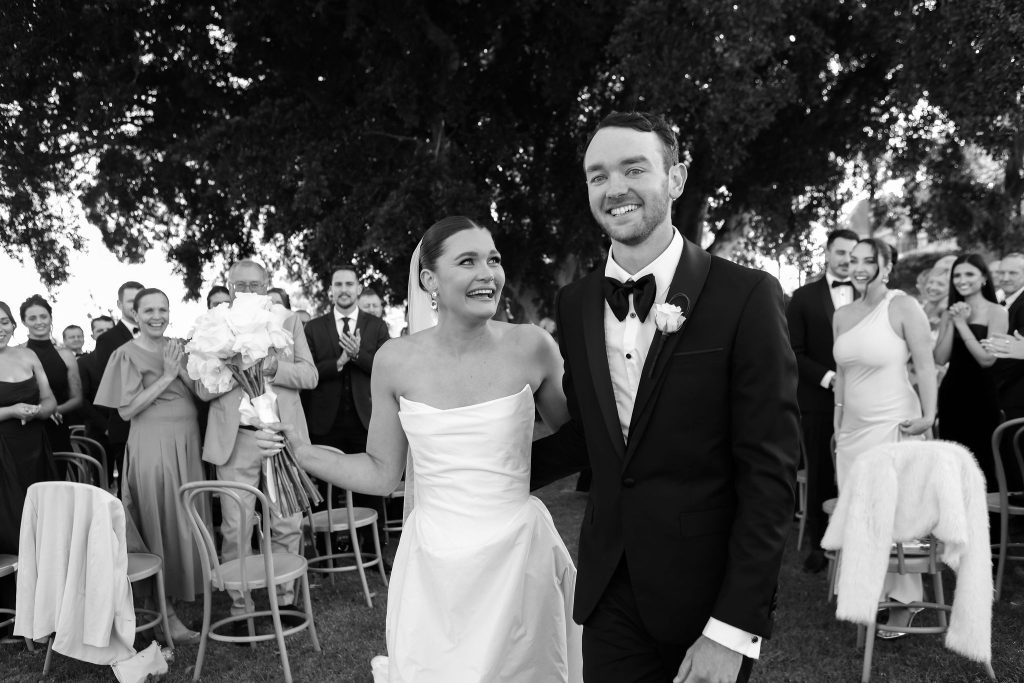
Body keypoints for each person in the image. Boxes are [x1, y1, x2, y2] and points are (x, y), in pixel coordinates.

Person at [528, 111, 800, 683]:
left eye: (634, 169)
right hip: (609, 587)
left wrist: (731, 628)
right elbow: (590, 434)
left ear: (675, 179)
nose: (614, 188)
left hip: (706, 594)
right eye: (598, 175)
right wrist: (482, 471)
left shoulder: (747, 295)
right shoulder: (575, 303)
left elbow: (769, 473)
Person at [257, 217, 581, 682]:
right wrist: (303, 453)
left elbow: (580, 437)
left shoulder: (532, 346)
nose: (487, 273)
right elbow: (381, 472)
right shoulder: (396, 359)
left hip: (520, 555)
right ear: (429, 279)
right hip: (434, 561)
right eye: (467, 261)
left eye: (493, 259)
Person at [197, 260, 317, 627]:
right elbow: (202, 389)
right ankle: (241, 605)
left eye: (255, 284)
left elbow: (310, 375)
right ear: (229, 287)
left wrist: (273, 369)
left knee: (287, 522)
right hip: (237, 440)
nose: (247, 291)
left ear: (266, 286)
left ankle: (285, 598)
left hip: (283, 437)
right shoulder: (214, 324)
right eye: (240, 285)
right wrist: (233, 368)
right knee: (236, 526)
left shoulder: (288, 320)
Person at [833, 238, 937, 636]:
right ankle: (869, 591)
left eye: (868, 260)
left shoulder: (903, 306)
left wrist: (929, 415)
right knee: (861, 514)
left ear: (887, 265)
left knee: (896, 514)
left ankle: (905, 601)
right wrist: (838, 423)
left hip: (895, 424)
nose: (858, 267)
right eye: (852, 260)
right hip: (853, 431)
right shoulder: (842, 314)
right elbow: (843, 375)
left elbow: (925, 366)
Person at [94, 288, 208, 642]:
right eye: (149, 310)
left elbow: (202, 393)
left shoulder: (179, 347)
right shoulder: (125, 354)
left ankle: (169, 601)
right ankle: (166, 615)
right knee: (160, 522)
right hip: (154, 448)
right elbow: (127, 410)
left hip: (187, 445)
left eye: (163, 309)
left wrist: (180, 369)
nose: (157, 316)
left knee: (185, 521)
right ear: (135, 314)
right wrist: (166, 376)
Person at [786, 228, 859, 573]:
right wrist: (830, 379)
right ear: (827, 253)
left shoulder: (869, 295)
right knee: (820, 471)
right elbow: (793, 351)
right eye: (840, 252)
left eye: (853, 255)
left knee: (859, 469)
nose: (847, 260)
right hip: (818, 400)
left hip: (864, 400)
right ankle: (820, 544)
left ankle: (860, 539)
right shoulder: (803, 297)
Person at [303, 265, 391, 546]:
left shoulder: (376, 326)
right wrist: (339, 362)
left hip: (366, 422)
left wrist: (357, 355)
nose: (344, 290)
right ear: (331, 290)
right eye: (338, 284)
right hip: (324, 423)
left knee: (369, 488)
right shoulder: (314, 328)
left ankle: (373, 548)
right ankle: (326, 551)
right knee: (324, 490)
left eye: (349, 284)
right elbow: (307, 372)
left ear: (358, 288)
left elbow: (386, 369)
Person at [0, 300, 59, 632]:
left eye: (4, 321)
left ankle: (48, 605)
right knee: (11, 525)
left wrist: (39, 411)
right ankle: (14, 610)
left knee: (42, 522)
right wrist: (10, 411)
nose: (0, 328)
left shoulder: (29, 356)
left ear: (12, 325)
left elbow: (49, 399)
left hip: (35, 448)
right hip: (2, 452)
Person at [933, 254, 1006, 490]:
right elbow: (940, 358)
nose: (962, 280)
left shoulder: (997, 312)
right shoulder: (949, 313)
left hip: (982, 395)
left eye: (969, 274)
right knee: (952, 459)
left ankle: (986, 511)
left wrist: (962, 324)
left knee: (982, 459)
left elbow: (987, 359)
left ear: (983, 278)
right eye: (957, 275)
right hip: (952, 393)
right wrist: (952, 321)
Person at [94, 281, 145, 493]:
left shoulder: (158, 335)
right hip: (126, 427)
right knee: (130, 492)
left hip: (158, 426)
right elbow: (109, 383)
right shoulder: (107, 340)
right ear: (119, 304)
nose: (136, 305)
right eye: (131, 301)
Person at [20, 295, 82, 454]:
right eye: (32, 318)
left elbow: (77, 398)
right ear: (24, 322)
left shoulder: (66, 355)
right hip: (23, 429)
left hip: (57, 426)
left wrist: (53, 410)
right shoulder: (16, 353)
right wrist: (37, 413)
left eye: (43, 316)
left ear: (50, 318)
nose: (39, 322)